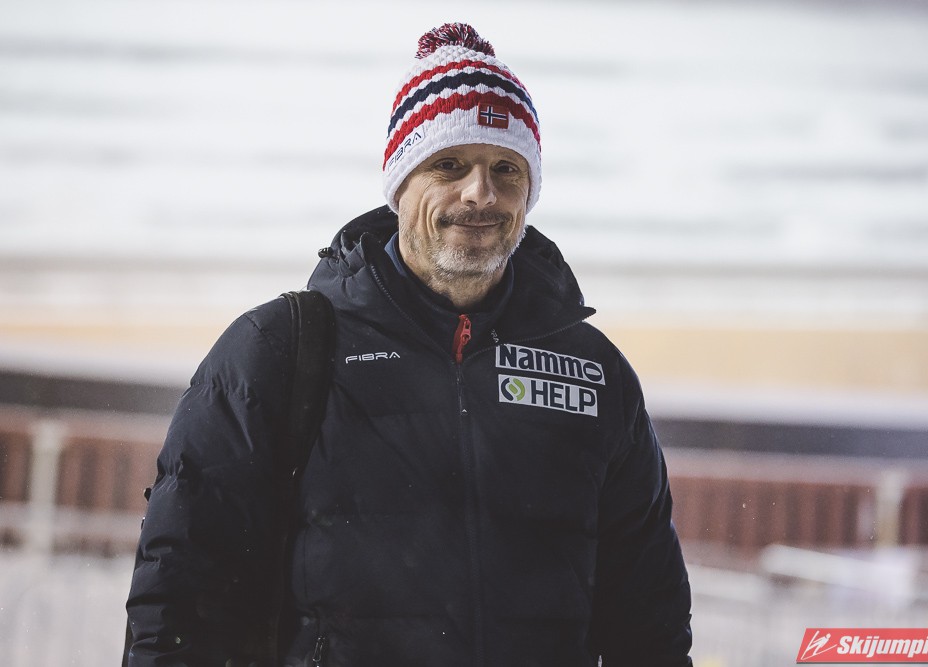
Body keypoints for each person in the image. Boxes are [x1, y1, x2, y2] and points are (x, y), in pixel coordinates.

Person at [125, 22, 693, 667]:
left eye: (506, 169)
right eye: (449, 165)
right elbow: (181, 596)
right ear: (400, 184)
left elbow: (649, 618)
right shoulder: (280, 349)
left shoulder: (592, 372)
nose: (480, 193)